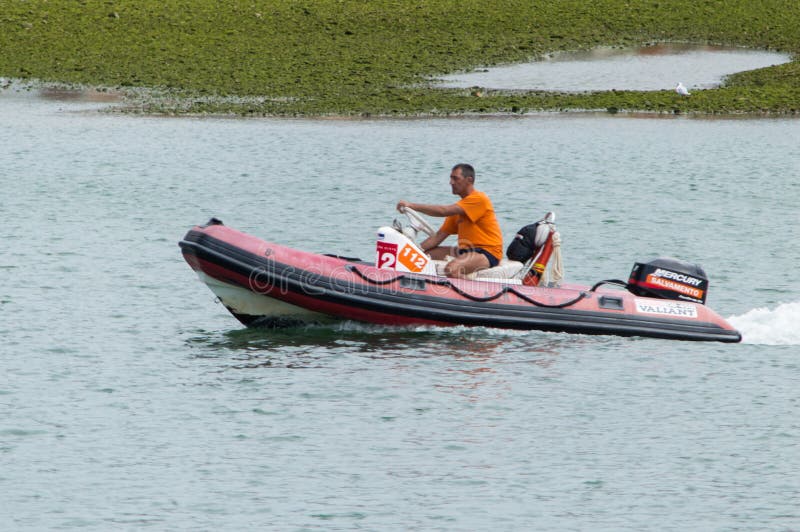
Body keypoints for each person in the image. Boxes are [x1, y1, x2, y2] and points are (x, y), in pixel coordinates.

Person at [396, 163, 503, 279]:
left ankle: (466, 294)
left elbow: (443, 211)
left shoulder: (479, 199)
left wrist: (411, 205)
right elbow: (438, 237)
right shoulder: (460, 208)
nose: (451, 182)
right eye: (451, 178)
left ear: (469, 180)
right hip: (465, 251)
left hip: (487, 252)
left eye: (455, 178)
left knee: (451, 269)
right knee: (420, 257)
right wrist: (412, 251)